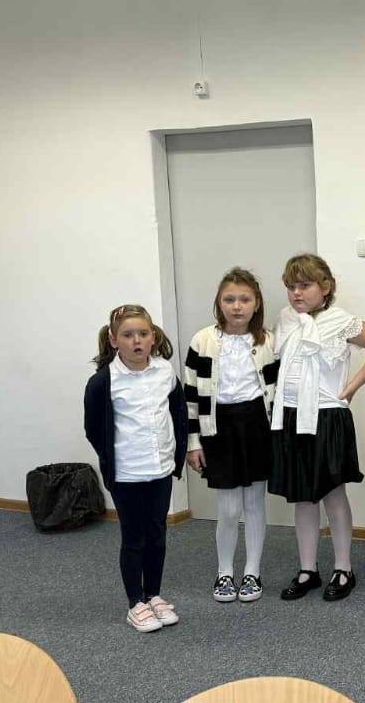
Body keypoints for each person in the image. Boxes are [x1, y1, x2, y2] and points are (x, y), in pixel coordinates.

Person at [269, 253, 365, 602]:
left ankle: (343, 568)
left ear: (325, 287)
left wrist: (352, 387)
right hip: (291, 417)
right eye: (291, 286)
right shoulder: (286, 319)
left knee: (333, 493)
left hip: (326, 416)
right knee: (303, 496)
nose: (296, 293)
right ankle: (308, 569)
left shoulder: (341, 321)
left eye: (304, 285)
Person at [84, 304, 187, 634]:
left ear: (153, 337)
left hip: (160, 469)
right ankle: (135, 603)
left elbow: (178, 414)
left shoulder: (165, 372)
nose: (137, 341)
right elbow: (94, 429)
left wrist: (177, 454)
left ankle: (153, 594)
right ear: (114, 340)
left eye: (143, 334)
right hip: (127, 474)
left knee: (157, 533)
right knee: (135, 538)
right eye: (128, 335)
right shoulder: (103, 382)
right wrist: (112, 460)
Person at [183, 268, 279, 604]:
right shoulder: (202, 341)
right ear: (219, 303)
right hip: (218, 427)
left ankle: (252, 571)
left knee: (253, 503)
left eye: (244, 299)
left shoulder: (269, 342)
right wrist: (193, 443)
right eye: (229, 299)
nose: (237, 306)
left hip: (256, 426)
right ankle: (225, 572)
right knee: (227, 508)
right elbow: (190, 398)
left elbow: (278, 392)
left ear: (256, 304)